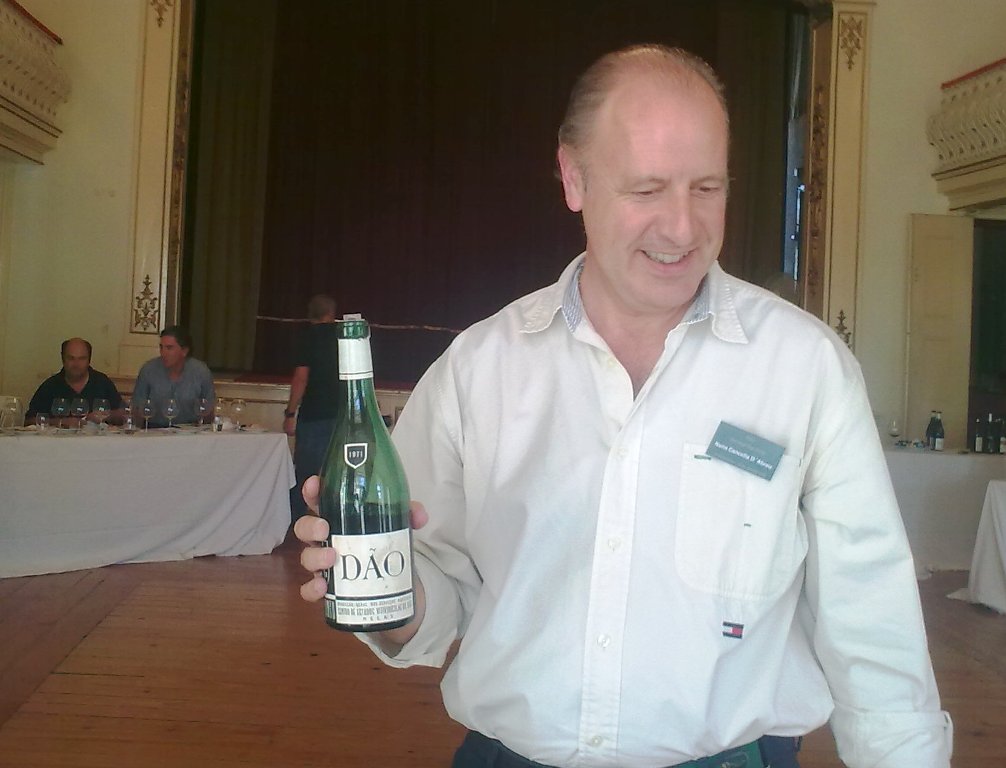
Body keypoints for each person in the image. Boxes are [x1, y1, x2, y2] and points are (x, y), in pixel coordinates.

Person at [296, 45, 952, 768]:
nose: (682, 228)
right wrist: (385, 589)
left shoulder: (804, 368)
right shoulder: (478, 370)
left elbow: (873, 619)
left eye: (707, 188)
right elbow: (435, 593)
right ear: (574, 178)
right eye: (647, 189)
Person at [283, 294, 340, 521]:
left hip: (314, 415)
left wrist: (290, 413)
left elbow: (301, 378)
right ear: (331, 313)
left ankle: (298, 522)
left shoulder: (308, 337)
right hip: (341, 416)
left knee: (306, 473)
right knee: (337, 473)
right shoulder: (344, 337)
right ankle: (334, 519)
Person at [25, 338, 123, 427]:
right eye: (71, 358)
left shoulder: (102, 382)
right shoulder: (50, 386)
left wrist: (105, 415)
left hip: (97, 440)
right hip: (60, 440)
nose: (76, 364)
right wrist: (60, 422)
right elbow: (29, 421)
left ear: (89, 360)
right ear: (63, 359)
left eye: (82, 358)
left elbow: (123, 414)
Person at [132, 325, 215, 427]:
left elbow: (208, 410)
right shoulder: (148, 370)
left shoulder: (200, 371)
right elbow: (138, 408)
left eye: (169, 348)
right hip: (154, 429)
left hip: (189, 430)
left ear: (184, 351)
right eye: (161, 347)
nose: (163, 353)